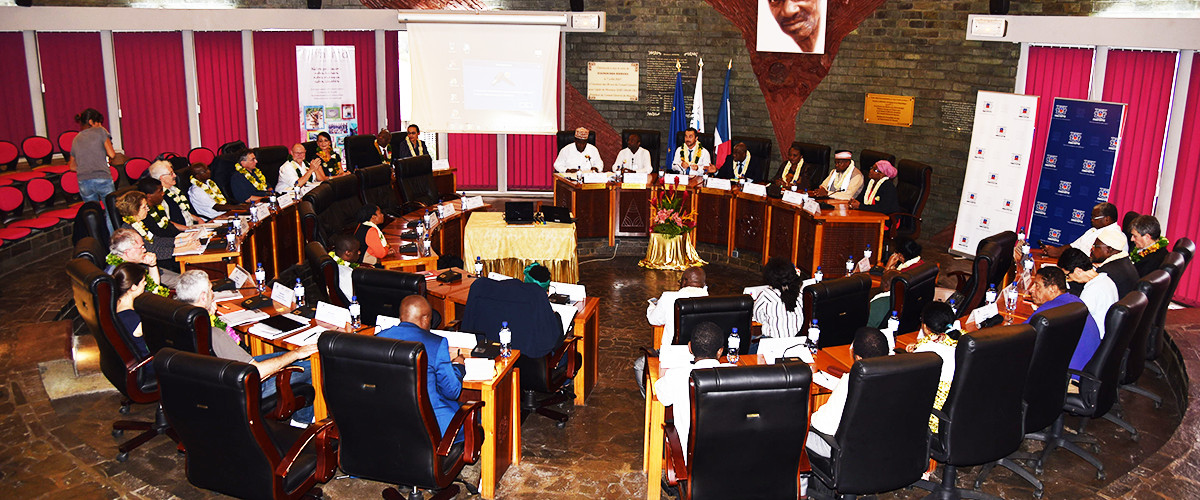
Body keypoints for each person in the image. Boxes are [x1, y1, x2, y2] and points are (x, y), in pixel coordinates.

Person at [174, 270, 318, 426]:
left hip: (213, 382)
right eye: (210, 290)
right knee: (310, 363)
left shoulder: (180, 323)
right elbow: (257, 372)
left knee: (289, 356)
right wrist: (296, 353)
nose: (213, 294)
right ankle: (301, 422)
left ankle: (304, 416)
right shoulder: (213, 334)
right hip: (244, 387)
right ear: (203, 297)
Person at [377, 295, 466, 438]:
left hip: (391, 422)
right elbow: (452, 391)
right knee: (475, 418)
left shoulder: (378, 338)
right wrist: (458, 365)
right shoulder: (436, 343)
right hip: (433, 426)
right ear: (425, 319)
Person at [806, 327, 890, 458]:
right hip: (879, 445)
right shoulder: (896, 375)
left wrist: (810, 418)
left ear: (858, 357)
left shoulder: (851, 381)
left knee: (794, 430)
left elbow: (822, 425)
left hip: (841, 450)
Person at [653, 321, 729, 464]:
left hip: (691, 461)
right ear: (720, 351)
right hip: (730, 458)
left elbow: (661, 395)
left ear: (690, 348)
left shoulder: (677, 375)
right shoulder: (735, 373)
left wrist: (663, 372)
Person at [1025, 266, 1102, 371]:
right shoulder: (1074, 300)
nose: (1031, 290)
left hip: (1069, 377)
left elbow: (1021, 334)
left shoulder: (1050, 309)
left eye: (1037, 286)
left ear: (1053, 289)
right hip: (1087, 370)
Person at [905, 301, 963, 433]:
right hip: (963, 412)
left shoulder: (926, 352)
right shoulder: (966, 339)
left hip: (936, 420)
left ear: (925, 326)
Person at [115, 190, 198, 267]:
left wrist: (183, 240)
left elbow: (156, 240)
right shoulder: (130, 231)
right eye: (144, 207)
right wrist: (184, 249)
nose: (147, 209)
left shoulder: (139, 224)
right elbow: (152, 250)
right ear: (134, 210)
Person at [1058, 248, 1119, 339]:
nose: (1068, 279)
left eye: (1068, 275)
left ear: (1078, 271)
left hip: (1094, 337)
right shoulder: (1106, 280)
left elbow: (1075, 321)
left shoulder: (1092, 290)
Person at [647, 267, 710, 349]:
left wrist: (652, 306)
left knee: (639, 362)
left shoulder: (668, 298)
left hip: (673, 355)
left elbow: (653, 320)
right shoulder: (710, 301)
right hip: (701, 353)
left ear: (684, 281)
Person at [69, 108, 119, 207]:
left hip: (83, 180)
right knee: (111, 210)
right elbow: (112, 154)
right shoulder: (100, 131)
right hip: (102, 177)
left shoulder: (76, 138)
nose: (100, 125)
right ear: (91, 122)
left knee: (93, 211)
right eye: (99, 123)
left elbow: (71, 166)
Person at [1042, 202, 1123, 258]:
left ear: (1107, 219)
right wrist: (1056, 251)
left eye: (1095, 217)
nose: (1092, 220)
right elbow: (1073, 246)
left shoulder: (1114, 236)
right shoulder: (1093, 230)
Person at [106, 228, 175, 293]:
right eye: (141, 247)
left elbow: (153, 286)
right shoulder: (121, 274)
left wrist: (152, 265)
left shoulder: (128, 264)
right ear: (128, 252)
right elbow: (151, 294)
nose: (144, 250)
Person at [753, 257, 804, 338]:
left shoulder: (766, 296)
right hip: (798, 344)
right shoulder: (801, 294)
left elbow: (757, 318)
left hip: (773, 346)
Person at [112, 262, 152, 361]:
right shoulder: (133, 319)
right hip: (148, 362)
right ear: (133, 287)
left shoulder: (114, 304)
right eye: (143, 281)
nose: (145, 283)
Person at [1092, 226, 1139, 298]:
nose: (1092, 249)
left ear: (1109, 249)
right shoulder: (1125, 261)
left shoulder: (1106, 273)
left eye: (1096, 246)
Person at [146, 160, 195, 226]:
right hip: (183, 232)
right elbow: (168, 222)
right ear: (162, 178)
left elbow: (185, 212)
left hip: (193, 227)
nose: (175, 175)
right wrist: (188, 229)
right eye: (171, 174)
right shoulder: (160, 197)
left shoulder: (175, 189)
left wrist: (198, 220)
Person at [328, 233, 360, 303]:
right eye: (357, 250)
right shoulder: (349, 274)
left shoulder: (332, 263)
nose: (359, 252)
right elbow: (354, 299)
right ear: (348, 253)